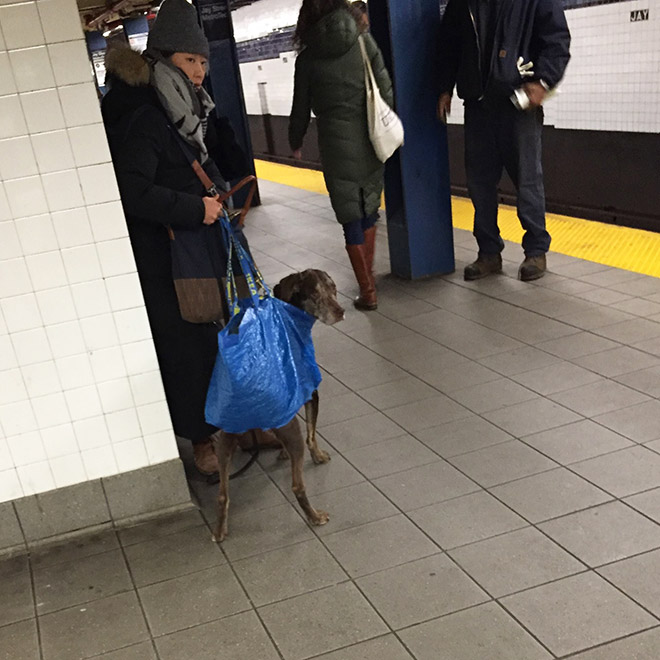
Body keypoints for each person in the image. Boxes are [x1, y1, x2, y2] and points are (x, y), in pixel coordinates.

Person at [101, 0, 248, 475]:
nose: (200, 70)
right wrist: (194, 207)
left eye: (203, 60)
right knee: (188, 344)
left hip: (192, 242)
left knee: (213, 333)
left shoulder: (178, 105)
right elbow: (133, 189)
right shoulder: (147, 113)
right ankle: (201, 442)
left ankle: (229, 423)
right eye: (190, 60)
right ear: (165, 57)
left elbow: (193, 161)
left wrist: (218, 191)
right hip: (167, 252)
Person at [437, 0, 570, 281]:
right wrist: (444, 87)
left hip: (518, 105)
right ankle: (488, 254)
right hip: (477, 104)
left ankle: (535, 250)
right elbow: (449, 44)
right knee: (480, 184)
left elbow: (556, 40)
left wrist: (543, 81)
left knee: (527, 180)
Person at [289, 0, 393, 311]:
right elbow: (385, 88)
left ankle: (368, 291)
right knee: (370, 207)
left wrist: (295, 140)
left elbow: (299, 108)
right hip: (371, 138)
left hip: (335, 145)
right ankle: (369, 283)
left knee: (350, 217)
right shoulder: (364, 40)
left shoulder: (307, 59)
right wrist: (383, 121)